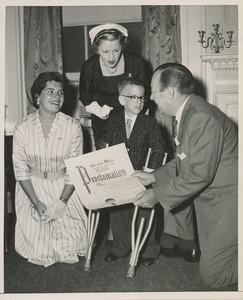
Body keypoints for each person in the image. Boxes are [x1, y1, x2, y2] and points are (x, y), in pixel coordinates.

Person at [132, 63, 238, 288]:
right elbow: (185, 160)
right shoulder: (188, 112)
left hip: (229, 201)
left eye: (153, 91)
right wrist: (153, 177)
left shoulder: (200, 117)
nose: (151, 97)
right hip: (214, 200)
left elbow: (198, 174)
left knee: (214, 276)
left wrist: (156, 196)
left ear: (169, 93)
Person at [12, 71, 88, 267]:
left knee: (73, 245)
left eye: (61, 93)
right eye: (50, 91)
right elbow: (20, 170)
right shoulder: (22, 127)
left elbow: (74, 167)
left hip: (63, 188)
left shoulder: (72, 126)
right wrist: (36, 202)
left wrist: (62, 202)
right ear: (38, 97)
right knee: (41, 249)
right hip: (33, 189)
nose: (57, 97)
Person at [98, 77, 165, 266]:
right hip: (119, 174)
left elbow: (158, 149)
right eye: (133, 97)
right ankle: (120, 246)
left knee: (145, 211)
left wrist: (150, 172)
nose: (139, 102)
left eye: (142, 98)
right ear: (121, 100)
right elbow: (106, 140)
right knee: (118, 213)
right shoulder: (114, 120)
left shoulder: (149, 123)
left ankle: (149, 248)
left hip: (141, 174)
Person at [79, 23, 150, 143]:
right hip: (103, 120)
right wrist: (98, 111)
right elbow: (85, 97)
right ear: (97, 49)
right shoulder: (89, 67)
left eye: (116, 50)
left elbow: (145, 94)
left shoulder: (136, 62)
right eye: (105, 51)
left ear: (122, 46)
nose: (111, 57)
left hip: (133, 116)